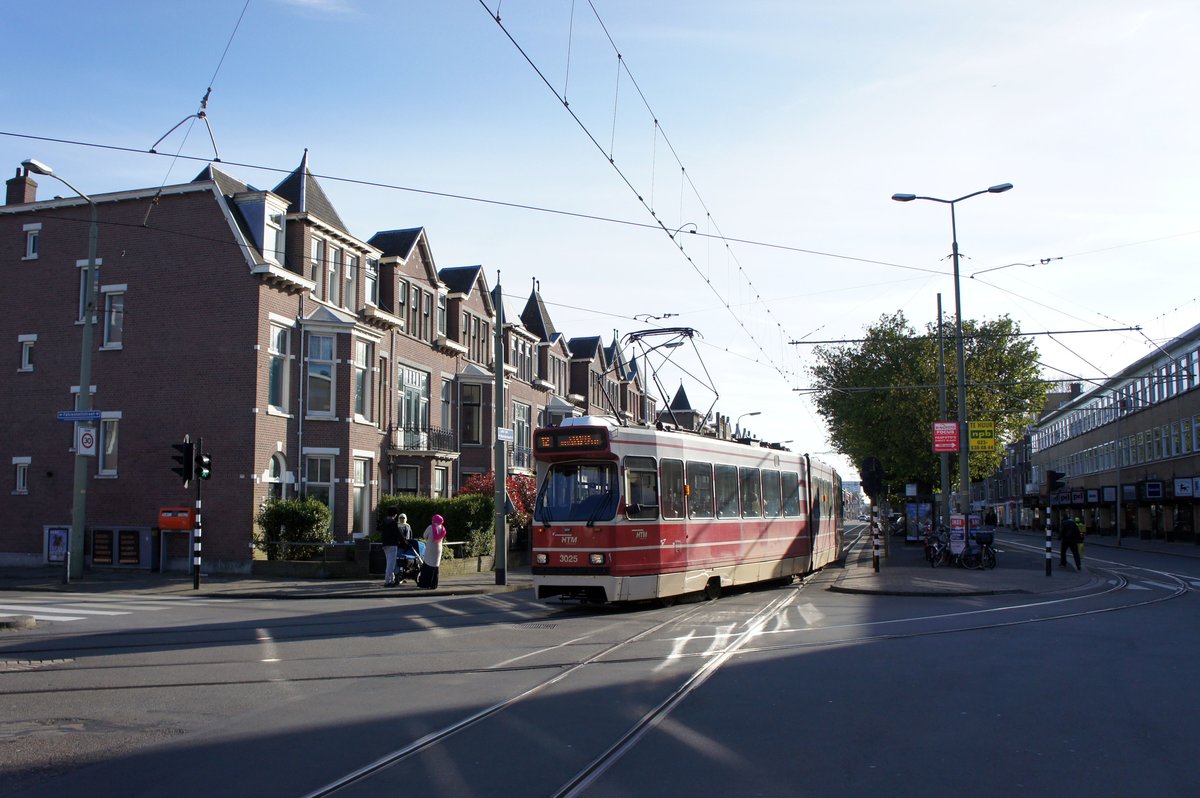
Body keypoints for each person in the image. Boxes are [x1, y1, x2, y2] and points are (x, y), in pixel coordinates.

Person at [418, 514, 448, 589]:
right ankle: (433, 584)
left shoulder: (430, 527)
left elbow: (424, 536)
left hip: (430, 549)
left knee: (427, 565)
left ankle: (425, 584)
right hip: (438, 549)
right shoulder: (443, 528)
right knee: (435, 566)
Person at [380, 509, 401, 587]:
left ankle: (392, 580)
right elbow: (397, 534)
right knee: (391, 564)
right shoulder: (393, 523)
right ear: (394, 514)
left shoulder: (384, 521)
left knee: (389, 562)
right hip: (392, 545)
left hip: (385, 544)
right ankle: (387, 581)